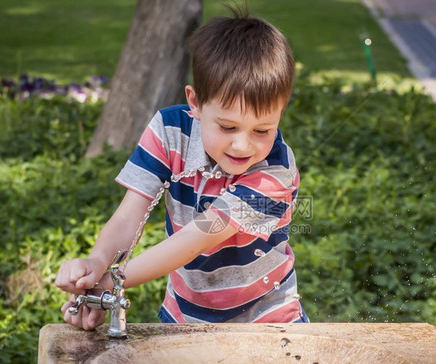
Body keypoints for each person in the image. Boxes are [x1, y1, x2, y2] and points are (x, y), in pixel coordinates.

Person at [55, 4, 309, 329]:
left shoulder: (275, 171)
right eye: (228, 127)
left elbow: (197, 238)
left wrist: (106, 284)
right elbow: (130, 214)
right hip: (184, 314)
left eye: (262, 130)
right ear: (195, 103)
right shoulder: (170, 130)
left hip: (269, 321)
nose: (243, 144)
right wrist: (97, 261)